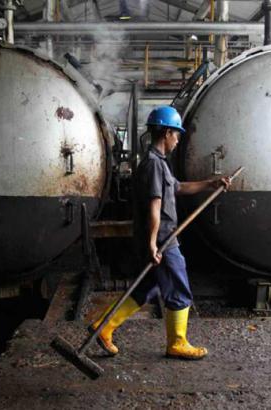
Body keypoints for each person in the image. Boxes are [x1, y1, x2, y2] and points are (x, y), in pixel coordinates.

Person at [89, 106, 231, 360]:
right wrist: (154, 243)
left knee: (145, 287)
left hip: (157, 238)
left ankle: (104, 327)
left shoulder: (158, 164)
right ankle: (177, 342)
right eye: (176, 134)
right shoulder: (154, 165)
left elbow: (178, 188)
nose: (177, 140)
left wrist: (210, 184)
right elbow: (155, 207)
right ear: (166, 133)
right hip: (164, 240)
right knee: (179, 287)